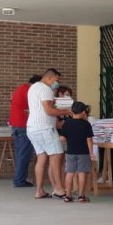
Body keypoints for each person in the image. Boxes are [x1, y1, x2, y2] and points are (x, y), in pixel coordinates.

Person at [27, 68, 69, 199]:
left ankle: (39, 190)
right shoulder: (46, 89)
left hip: (32, 127)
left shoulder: (33, 87)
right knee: (56, 155)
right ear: (50, 78)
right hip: (44, 128)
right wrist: (66, 111)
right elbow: (49, 111)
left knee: (42, 157)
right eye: (56, 80)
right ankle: (59, 189)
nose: (56, 83)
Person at [59, 102, 96, 203]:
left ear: (72, 111)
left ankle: (68, 195)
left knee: (69, 173)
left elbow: (62, 138)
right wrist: (91, 152)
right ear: (84, 112)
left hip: (70, 152)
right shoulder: (86, 124)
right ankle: (81, 195)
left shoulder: (67, 123)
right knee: (82, 173)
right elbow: (89, 140)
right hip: (83, 153)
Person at [9, 74, 41, 188]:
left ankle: (19, 178)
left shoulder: (20, 88)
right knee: (24, 154)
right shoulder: (30, 91)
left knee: (20, 153)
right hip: (24, 125)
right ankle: (19, 180)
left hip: (15, 124)